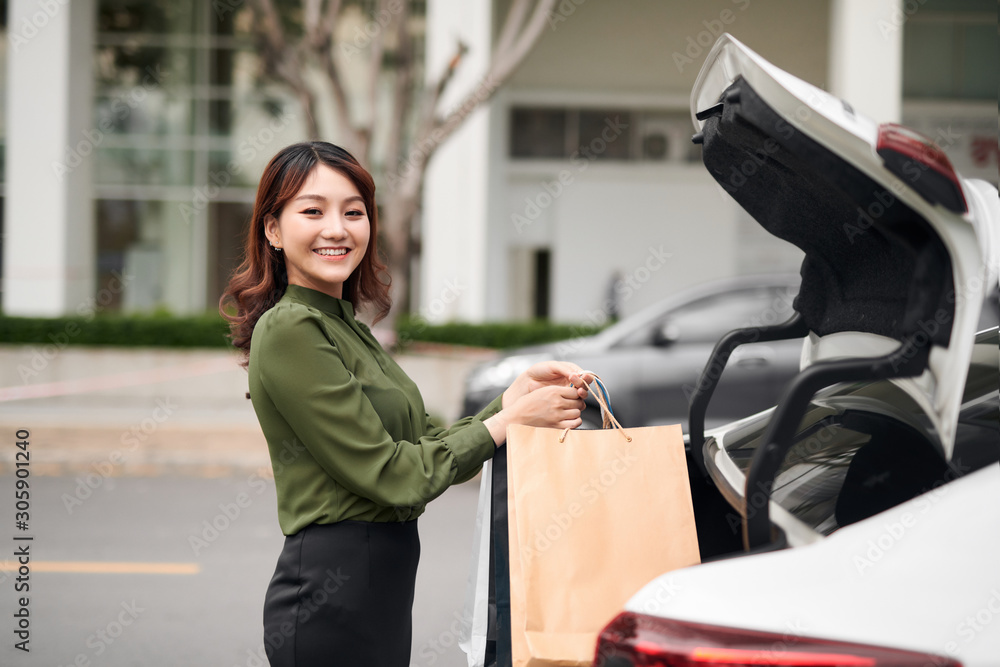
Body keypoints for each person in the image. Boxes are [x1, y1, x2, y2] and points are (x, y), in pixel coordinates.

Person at [220, 141, 591, 666]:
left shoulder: (343, 322)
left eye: (354, 212)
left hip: (377, 593)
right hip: (333, 594)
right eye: (312, 211)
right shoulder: (291, 328)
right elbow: (394, 475)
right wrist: (510, 422)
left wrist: (511, 399)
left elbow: (419, 448)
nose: (337, 228)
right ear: (273, 230)